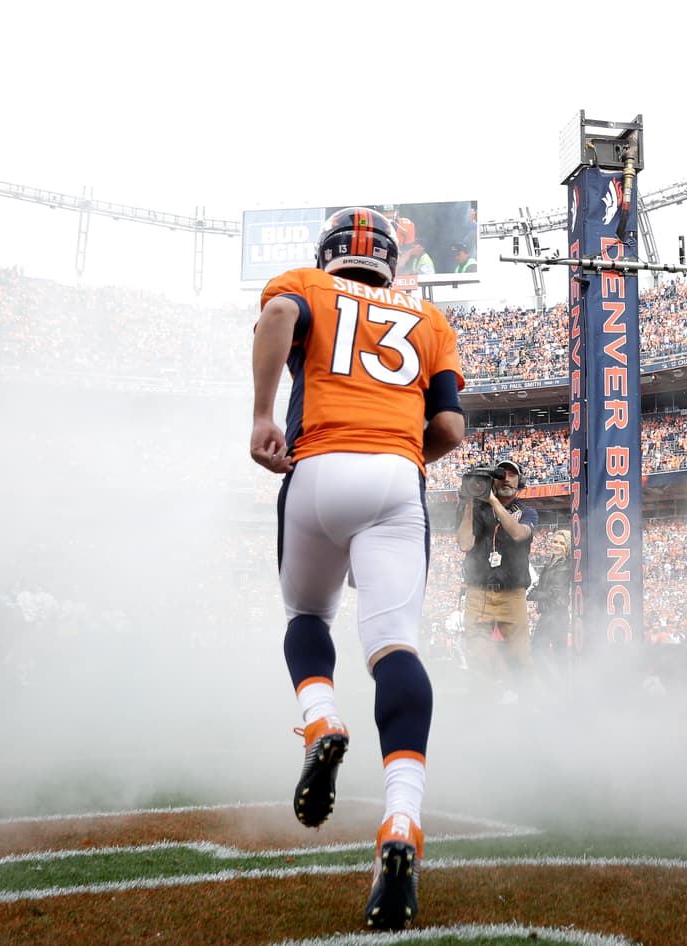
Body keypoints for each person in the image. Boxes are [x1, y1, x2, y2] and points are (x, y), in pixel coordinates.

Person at [249, 206, 465, 931]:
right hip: (397, 480)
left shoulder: (307, 283)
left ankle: (319, 721)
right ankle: (400, 825)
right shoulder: (428, 318)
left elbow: (280, 311)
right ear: (392, 265)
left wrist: (260, 416)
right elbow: (450, 429)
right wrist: (400, 461)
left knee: (307, 617)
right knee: (394, 649)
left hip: (318, 465)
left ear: (331, 254)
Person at [457, 459, 537, 697]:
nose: (507, 479)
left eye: (512, 475)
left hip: (512, 593)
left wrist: (492, 501)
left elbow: (518, 533)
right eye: (501, 474)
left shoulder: (527, 511)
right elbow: (465, 543)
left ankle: (529, 704)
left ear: (520, 481)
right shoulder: (476, 510)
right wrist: (471, 500)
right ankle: (483, 707)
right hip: (478, 591)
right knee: (478, 653)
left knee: (519, 655)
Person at [529, 528, 572, 681]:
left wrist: (534, 595)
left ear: (567, 546)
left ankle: (553, 688)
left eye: (561, 543)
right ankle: (562, 689)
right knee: (559, 655)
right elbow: (544, 587)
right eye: (555, 541)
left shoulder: (564, 566)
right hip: (552, 615)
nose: (557, 545)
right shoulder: (551, 563)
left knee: (538, 650)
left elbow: (556, 594)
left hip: (555, 615)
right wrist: (535, 591)